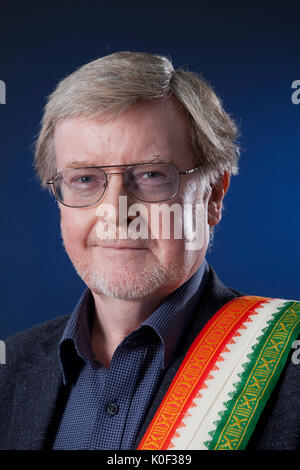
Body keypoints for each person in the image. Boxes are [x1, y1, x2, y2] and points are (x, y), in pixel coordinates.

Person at [0, 52, 299, 451]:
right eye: (85, 179)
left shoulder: (287, 358)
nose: (117, 212)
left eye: (151, 176)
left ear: (213, 196)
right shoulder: (11, 368)